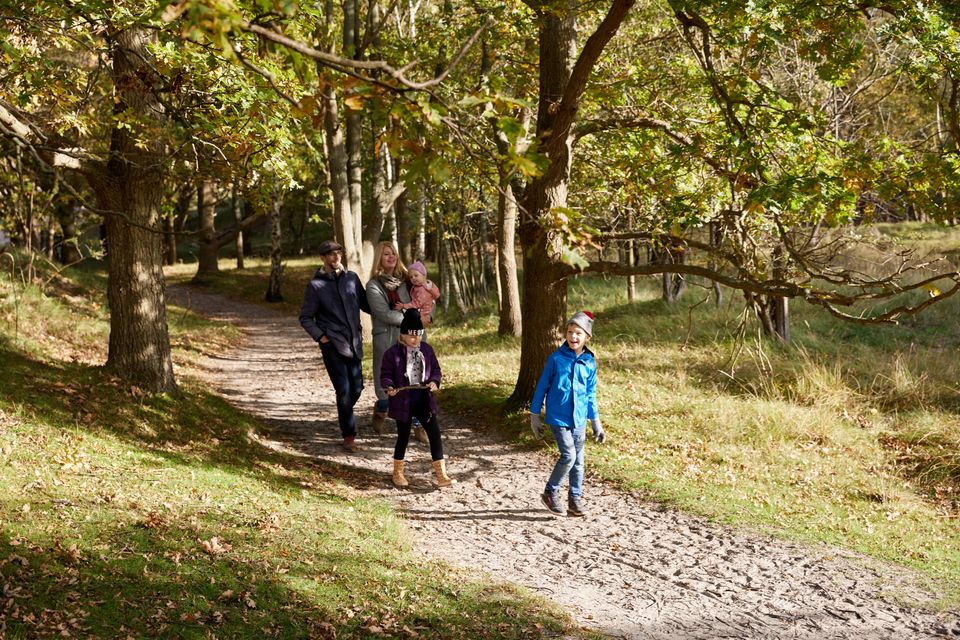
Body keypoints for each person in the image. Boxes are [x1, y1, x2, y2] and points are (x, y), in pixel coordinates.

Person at [529, 311, 605, 516]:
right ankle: (550, 493)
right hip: (558, 418)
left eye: (578, 333)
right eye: (570, 332)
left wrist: (595, 421)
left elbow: (590, 394)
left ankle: (575, 499)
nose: (573, 337)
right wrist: (534, 415)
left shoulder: (589, 362)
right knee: (569, 455)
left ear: (587, 337)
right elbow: (541, 387)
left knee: (579, 461)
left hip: (579, 419)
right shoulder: (555, 359)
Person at [299, 240, 371, 451]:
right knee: (344, 390)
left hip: (354, 342)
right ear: (322, 257)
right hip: (332, 345)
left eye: (338, 252)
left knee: (357, 388)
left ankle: (344, 412)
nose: (336, 256)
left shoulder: (351, 278)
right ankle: (349, 436)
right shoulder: (316, 285)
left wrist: (392, 305)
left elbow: (367, 303)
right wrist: (322, 337)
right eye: (330, 254)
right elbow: (305, 317)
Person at [381, 309, 455, 488]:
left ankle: (441, 474)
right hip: (403, 401)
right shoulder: (392, 354)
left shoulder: (427, 350)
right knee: (403, 436)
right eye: (412, 336)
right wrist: (390, 386)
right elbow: (386, 374)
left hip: (424, 399)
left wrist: (434, 382)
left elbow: (436, 370)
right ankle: (398, 472)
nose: (416, 340)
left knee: (435, 434)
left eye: (419, 336)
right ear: (403, 335)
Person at [365, 241, 429, 444]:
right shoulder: (373, 285)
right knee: (387, 386)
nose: (391, 257)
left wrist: (427, 316)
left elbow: (427, 299)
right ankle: (381, 410)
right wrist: (412, 319)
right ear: (379, 259)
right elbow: (383, 313)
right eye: (386, 254)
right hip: (386, 339)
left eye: (393, 253)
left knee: (417, 382)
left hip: (413, 339)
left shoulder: (410, 280)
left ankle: (419, 428)